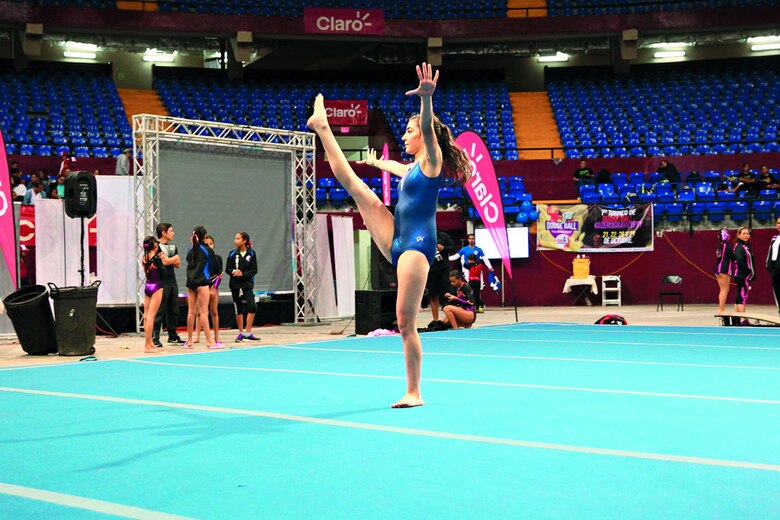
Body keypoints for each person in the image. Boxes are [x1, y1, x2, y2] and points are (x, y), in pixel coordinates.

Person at [307, 62, 471, 408]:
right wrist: (378, 164)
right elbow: (398, 168)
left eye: (409, 132)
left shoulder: (433, 160)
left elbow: (428, 128)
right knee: (356, 186)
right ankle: (323, 128)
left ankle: (414, 391)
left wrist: (426, 101)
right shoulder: (413, 167)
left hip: (416, 247)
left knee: (405, 321)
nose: (407, 135)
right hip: (396, 237)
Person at [184, 226, 220, 348]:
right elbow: (216, 268)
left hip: (190, 284)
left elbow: (189, 262)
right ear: (204, 237)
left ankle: (189, 341)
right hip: (202, 283)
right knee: (204, 313)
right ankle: (210, 341)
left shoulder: (190, 250)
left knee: (191, 313)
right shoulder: (206, 250)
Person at [152, 223, 185, 347]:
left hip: (172, 281)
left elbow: (178, 264)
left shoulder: (172, 247)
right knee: (160, 310)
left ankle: (173, 336)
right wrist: (174, 258)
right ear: (164, 233)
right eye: (171, 231)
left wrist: (170, 260)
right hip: (161, 282)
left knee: (174, 309)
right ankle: (155, 337)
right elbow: (162, 262)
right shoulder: (156, 246)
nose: (173, 233)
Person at [141, 236, 174, 354]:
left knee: (146, 316)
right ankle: (147, 346)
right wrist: (161, 262)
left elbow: (146, 272)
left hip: (148, 286)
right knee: (151, 316)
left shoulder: (144, 258)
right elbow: (164, 274)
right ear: (155, 245)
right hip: (157, 287)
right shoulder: (156, 258)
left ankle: (149, 343)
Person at [226, 231, 259, 342]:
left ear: (244, 241)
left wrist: (243, 274)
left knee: (252, 306)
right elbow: (227, 269)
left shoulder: (252, 254)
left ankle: (248, 332)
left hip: (247, 284)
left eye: (238, 238)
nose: (235, 240)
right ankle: (240, 332)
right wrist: (234, 272)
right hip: (235, 285)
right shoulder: (232, 254)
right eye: (235, 238)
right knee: (238, 307)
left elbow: (254, 270)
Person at [449, 233, 494, 313]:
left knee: (477, 290)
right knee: (468, 287)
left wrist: (490, 267)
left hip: (476, 271)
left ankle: (478, 306)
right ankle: (468, 304)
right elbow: (456, 256)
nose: (471, 240)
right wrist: (447, 259)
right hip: (467, 270)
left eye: (473, 239)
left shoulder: (479, 250)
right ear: (468, 240)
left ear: (474, 240)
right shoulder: (464, 249)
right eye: (470, 239)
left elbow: (485, 259)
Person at [194, 235, 225, 348]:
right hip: (203, 287)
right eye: (207, 244)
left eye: (211, 243)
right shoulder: (201, 259)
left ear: (214, 244)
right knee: (199, 312)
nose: (209, 246)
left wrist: (214, 288)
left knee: (214, 312)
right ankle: (197, 335)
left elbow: (219, 274)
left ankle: (216, 336)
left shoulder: (218, 258)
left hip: (213, 287)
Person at [425, 230, 455, 322]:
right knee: (433, 295)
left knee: (448, 294)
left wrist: (443, 248)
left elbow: (453, 247)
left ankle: (450, 319)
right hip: (431, 270)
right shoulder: (424, 237)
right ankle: (435, 320)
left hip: (444, 270)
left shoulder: (443, 236)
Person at [732, 226, 755, 316]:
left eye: (748, 233)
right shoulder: (740, 247)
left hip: (742, 275)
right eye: (744, 234)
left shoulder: (745, 246)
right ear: (738, 235)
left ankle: (737, 317)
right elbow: (739, 260)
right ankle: (742, 318)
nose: (746, 235)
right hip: (742, 275)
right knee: (742, 295)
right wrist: (748, 271)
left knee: (739, 295)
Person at [715, 228, 734, 314]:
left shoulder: (719, 245)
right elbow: (733, 257)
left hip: (718, 268)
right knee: (725, 290)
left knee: (722, 289)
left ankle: (721, 308)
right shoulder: (726, 246)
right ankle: (721, 309)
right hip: (724, 269)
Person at [766, 217, 780, 314]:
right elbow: (770, 253)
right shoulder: (774, 238)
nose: (779, 225)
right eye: (778, 223)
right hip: (775, 268)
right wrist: (769, 266)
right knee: (778, 291)